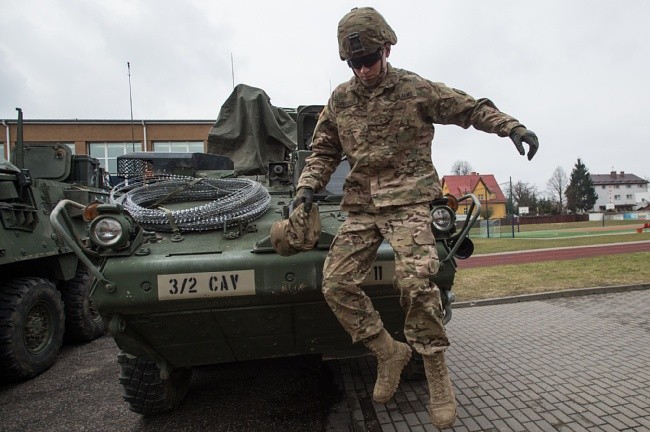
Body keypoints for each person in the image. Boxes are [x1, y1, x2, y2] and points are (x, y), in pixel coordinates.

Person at [293, 7, 539, 430]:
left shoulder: (414, 88)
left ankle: (437, 376)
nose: (365, 69)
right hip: (362, 206)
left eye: (370, 58)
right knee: (334, 283)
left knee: (416, 283)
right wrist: (304, 190)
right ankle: (387, 351)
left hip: (409, 202)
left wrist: (511, 127)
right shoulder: (340, 100)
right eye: (355, 63)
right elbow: (322, 152)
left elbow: (469, 108)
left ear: (387, 48)